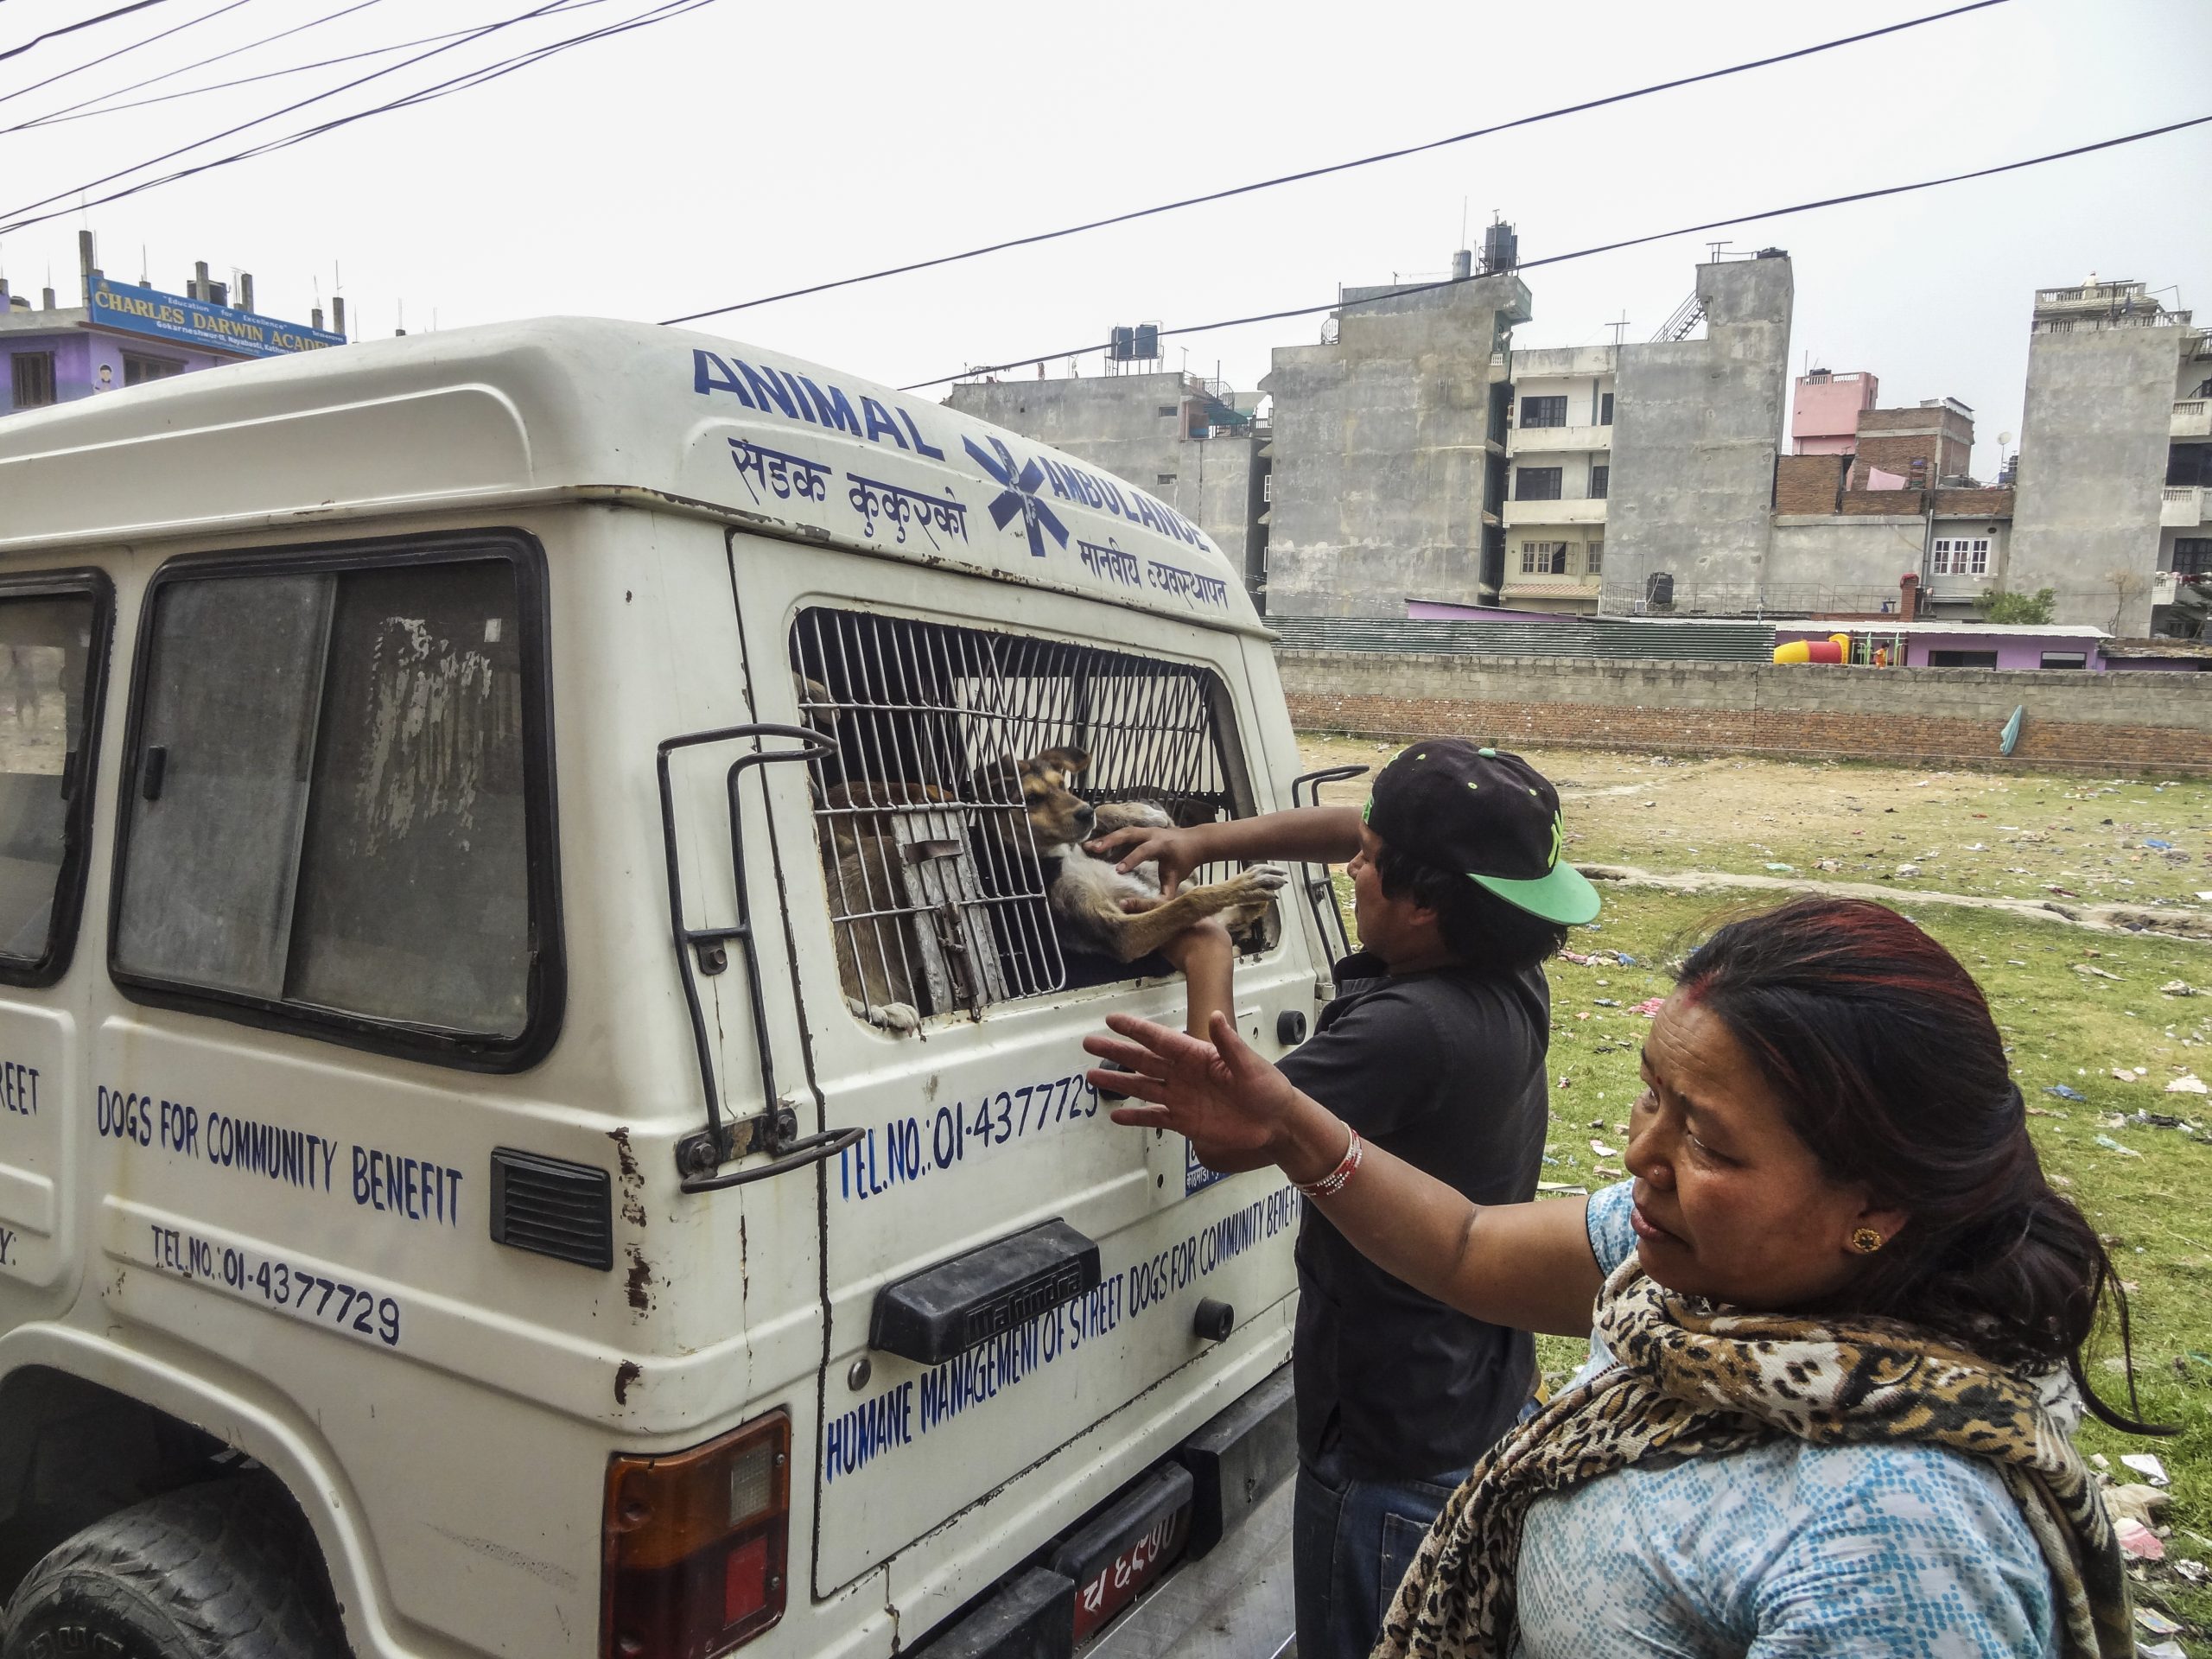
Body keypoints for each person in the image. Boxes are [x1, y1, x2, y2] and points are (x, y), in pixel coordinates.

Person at [1084, 895, 2158, 1659]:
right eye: (1653, 1097)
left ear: (1876, 1206)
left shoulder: (1898, 1550)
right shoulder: (1700, 1288)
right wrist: (1290, 1127)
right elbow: (1463, 1248)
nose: (1642, 1152)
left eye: (1711, 1144)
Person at [1090, 740, 1599, 1659]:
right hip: (1473, 1390)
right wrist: (1203, 842)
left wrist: (1205, 947)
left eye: (1370, 866)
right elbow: (1349, 830)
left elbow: (1232, 1122)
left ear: (1427, 902)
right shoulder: (1505, 963)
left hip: (1389, 1448)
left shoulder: (1408, 1031)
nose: (1350, 868)